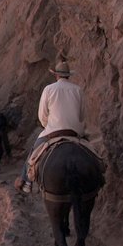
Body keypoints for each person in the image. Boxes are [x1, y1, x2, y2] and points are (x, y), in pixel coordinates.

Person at [15, 61, 85, 193]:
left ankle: (27, 182)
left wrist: (49, 125)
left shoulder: (49, 89)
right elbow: (82, 116)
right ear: (68, 76)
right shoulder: (78, 90)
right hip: (74, 132)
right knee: (91, 151)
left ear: (56, 75)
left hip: (53, 131)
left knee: (33, 153)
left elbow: (42, 115)